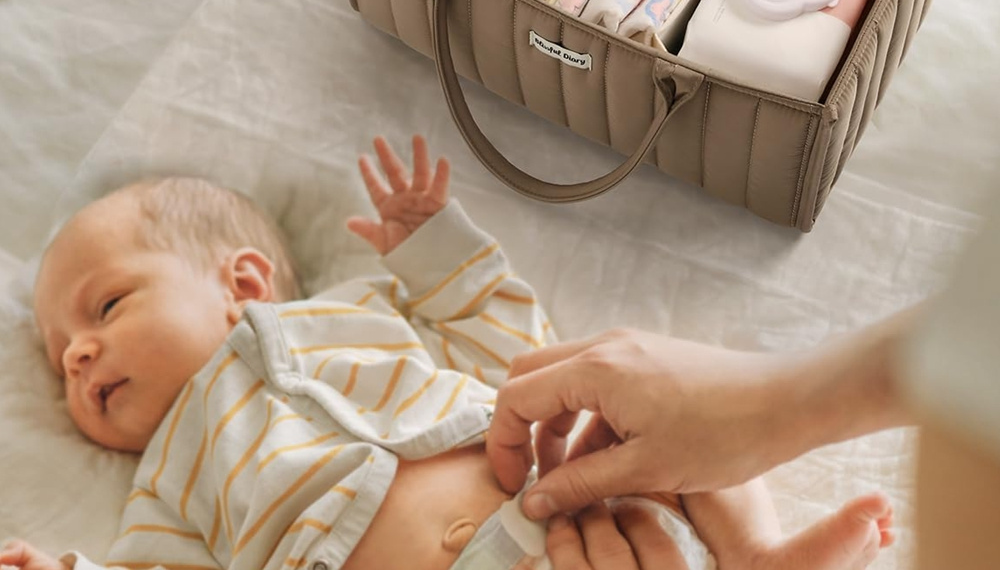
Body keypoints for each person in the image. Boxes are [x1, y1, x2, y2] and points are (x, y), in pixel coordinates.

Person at [0, 136, 894, 570]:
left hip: (560, 493)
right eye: (60, 352)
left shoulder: (360, 309)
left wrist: (435, 255)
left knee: (645, 405)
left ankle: (757, 553)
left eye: (107, 306)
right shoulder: (170, 479)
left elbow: (517, 352)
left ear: (242, 282)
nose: (78, 355)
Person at [486, 196, 1000, 569]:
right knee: (700, 448)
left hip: (627, 502)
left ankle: (756, 551)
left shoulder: (444, 391)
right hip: (635, 539)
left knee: (688, 467)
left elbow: (472, 309)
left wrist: (424, 241)